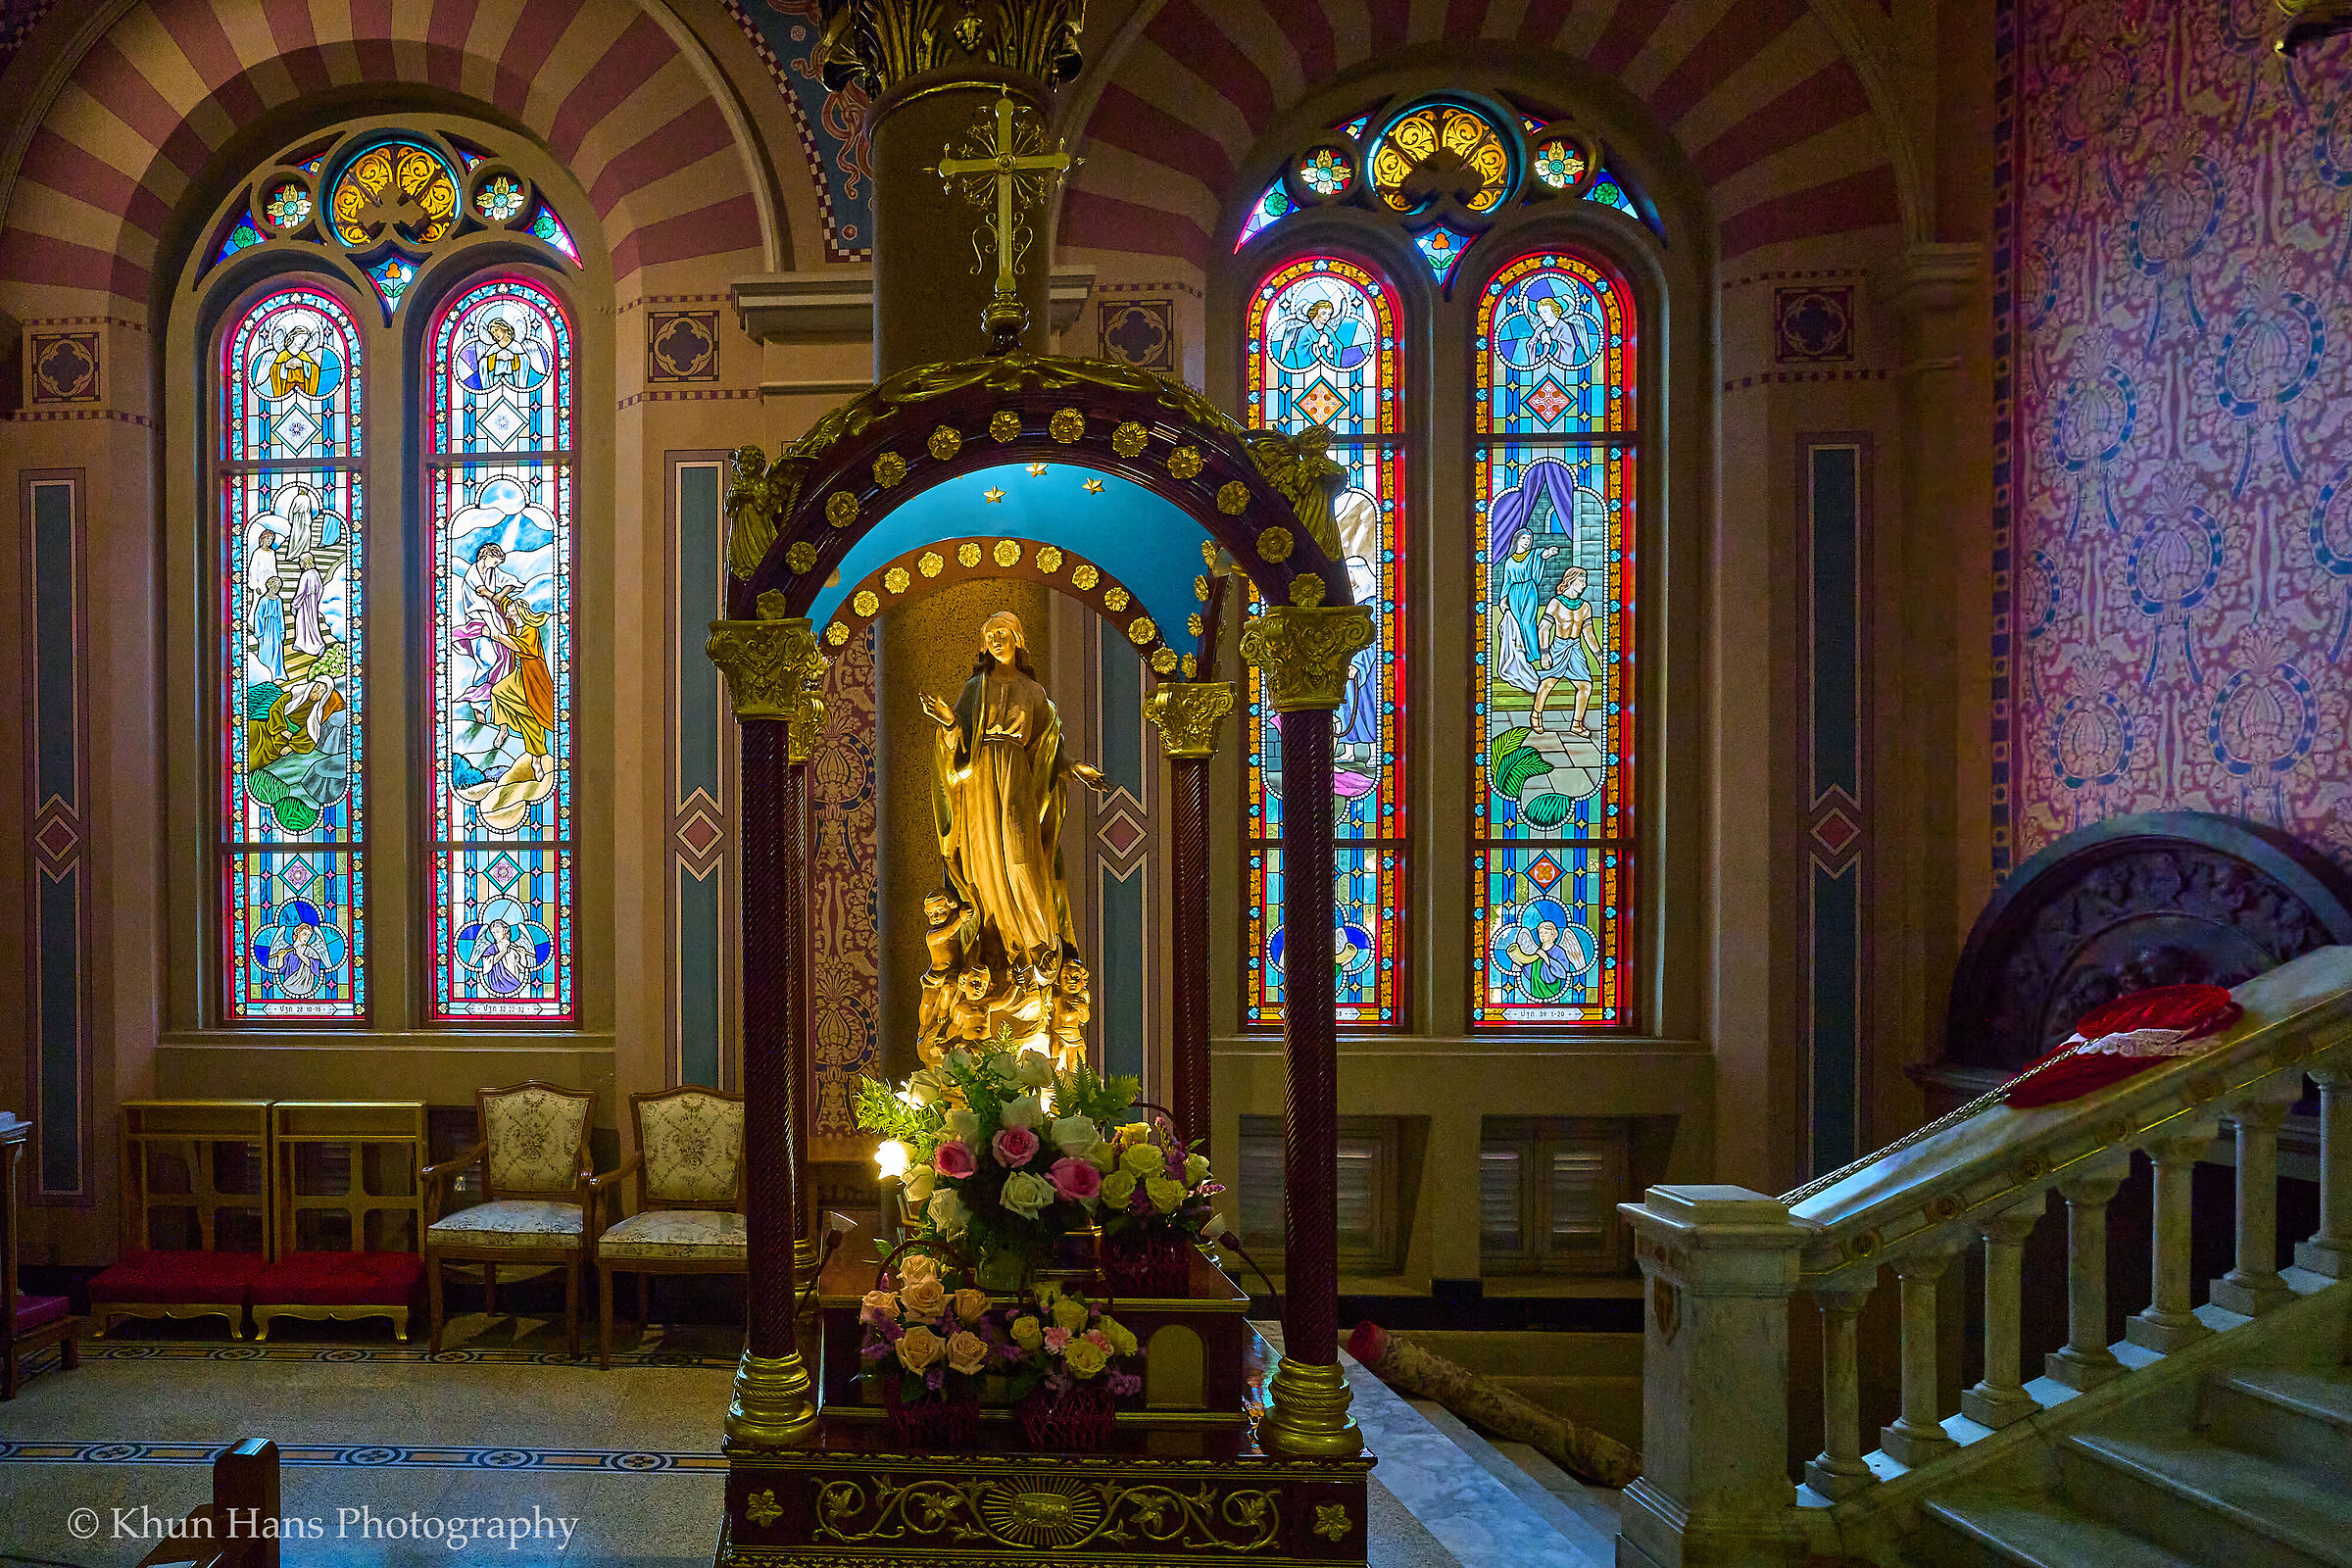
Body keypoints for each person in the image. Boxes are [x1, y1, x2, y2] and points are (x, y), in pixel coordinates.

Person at [921, 611, 1110, 986]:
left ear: (1018, 639)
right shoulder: (976, 687)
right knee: (985, 865)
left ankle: (1036, 944)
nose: (996, 639)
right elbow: (957, 742)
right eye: (989, 634)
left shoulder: (1033, 692)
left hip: (1017, 779)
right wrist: (948, 722)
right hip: (978, 784)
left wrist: (1074, 769)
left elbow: (1046, 747)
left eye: (1002, 632)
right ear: (983, 644)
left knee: (1023, 857)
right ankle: (996, 953)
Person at [1533, 567, 1604, 737]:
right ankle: (1536, 715)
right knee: (1548, 683)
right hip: (1558, 648)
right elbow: (1544, 627)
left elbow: (1588, 633)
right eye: (1581, 581)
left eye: (1585, 581)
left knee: (1585, 686)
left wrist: (1599, 655)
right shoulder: (1556, 603)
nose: (1584, 585)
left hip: (1576, 650)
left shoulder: (1585, 607)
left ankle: (1577, 724)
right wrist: (1544, 652)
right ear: (1570, 581)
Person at [250, 573, 286, 682]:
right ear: (270, 586)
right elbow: (258, 616)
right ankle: (266, 674)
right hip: (266, 630)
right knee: (266, 649)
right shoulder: (263, 600)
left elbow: (280, 616)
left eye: (279, 587)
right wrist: (259, 633)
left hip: (275, 629)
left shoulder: (278, 600)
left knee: (277, 648)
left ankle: (277, 673)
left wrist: (282, 631)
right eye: (275, 586)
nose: (277, 589)